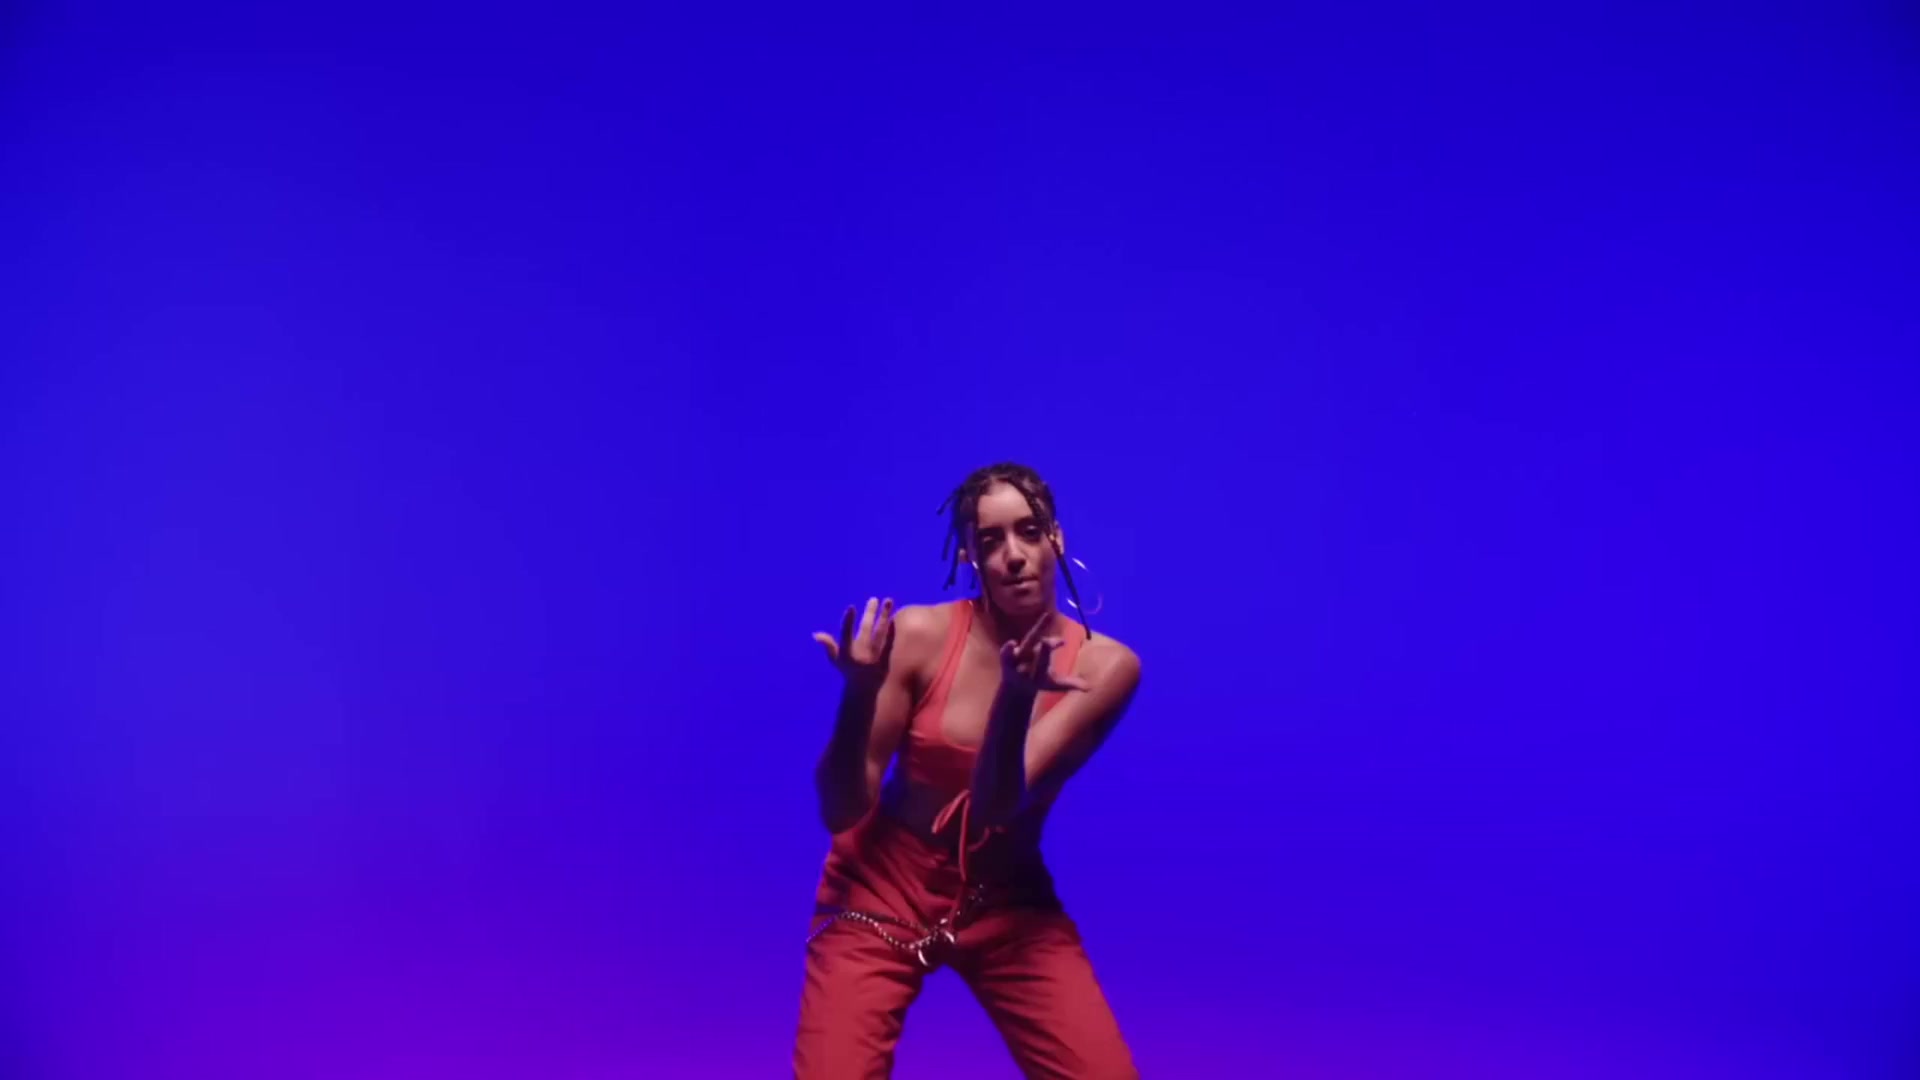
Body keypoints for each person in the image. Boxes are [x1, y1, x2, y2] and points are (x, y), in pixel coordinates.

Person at [792, 462, 1142, 1079]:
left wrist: (1015, 698)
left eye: (1029, 531)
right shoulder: (920, 635)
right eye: (990, 540)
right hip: (879, 886)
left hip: (1005, 895)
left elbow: (995, 808)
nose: (1014, 555)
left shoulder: (1105, 667)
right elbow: (840, 811)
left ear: (1056, 538)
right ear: (970, 557)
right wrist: (859, 694)